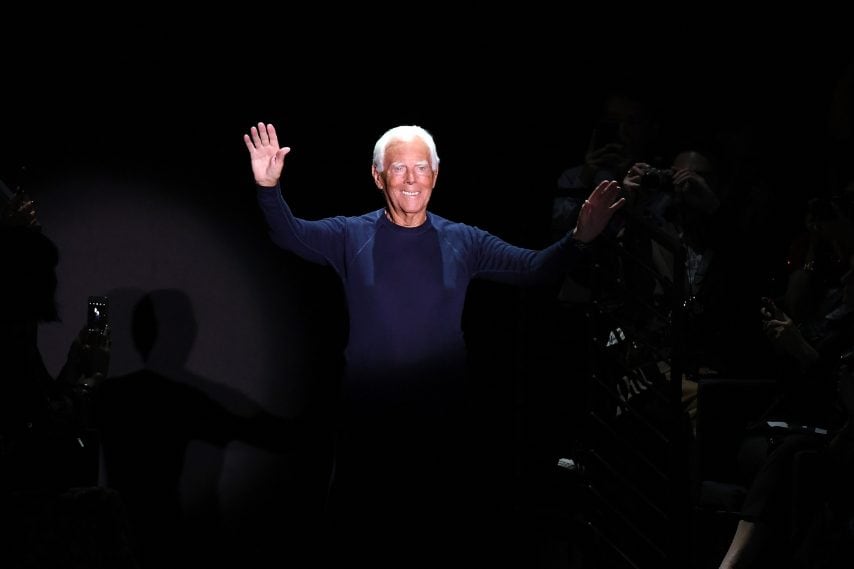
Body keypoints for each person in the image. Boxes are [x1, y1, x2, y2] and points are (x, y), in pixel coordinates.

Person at [243, 122, 625, 567]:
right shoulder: (351, 234)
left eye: (421, 168)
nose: (411, 179)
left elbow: (535, 269)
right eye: (398, 168)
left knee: (436, 534)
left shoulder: (462, 240)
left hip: (440, 421)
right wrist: (268, 189)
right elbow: (290, 234)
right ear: (377, 176)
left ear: (436, 175)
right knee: (360, 532)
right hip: (367, 422)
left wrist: (579, 238)